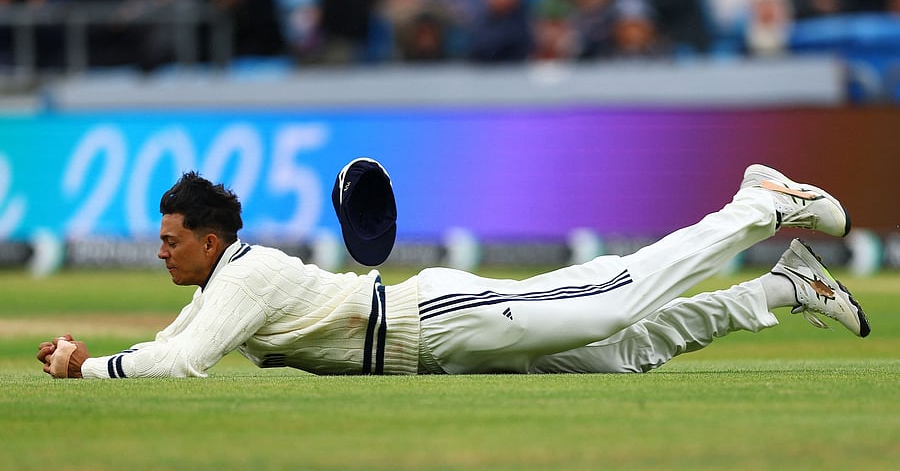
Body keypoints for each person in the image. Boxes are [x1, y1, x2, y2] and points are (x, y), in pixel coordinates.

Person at [37, 162, 870, 379]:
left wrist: (86, 372)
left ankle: (758, 205)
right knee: (629, 352)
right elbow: (168, 341)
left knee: (611, 302)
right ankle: (781, 286)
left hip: (438, 319)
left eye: (172, 238)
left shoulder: (245, 277)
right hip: (440, 346)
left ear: (212, 241)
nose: (160, 250)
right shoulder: (228, 281)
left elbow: (182, 363)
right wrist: (94, 360)